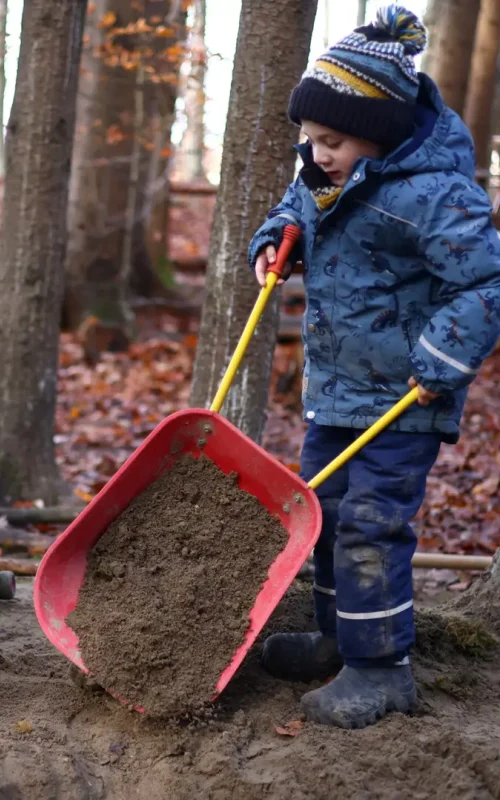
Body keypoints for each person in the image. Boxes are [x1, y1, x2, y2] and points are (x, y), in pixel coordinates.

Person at [248, 5, 500, 729]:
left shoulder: (435, 195)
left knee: (370, 525)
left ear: (381, 133)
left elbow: (485, 283)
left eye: (332, 140)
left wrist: (442, 358)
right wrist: (276, 245)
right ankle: (339, 640)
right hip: (337, 391)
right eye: (310, 138)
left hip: (405, 396)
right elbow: (292, 210)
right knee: (321, 515)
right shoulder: (323, 175)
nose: (316, 153)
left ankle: (381, 667)